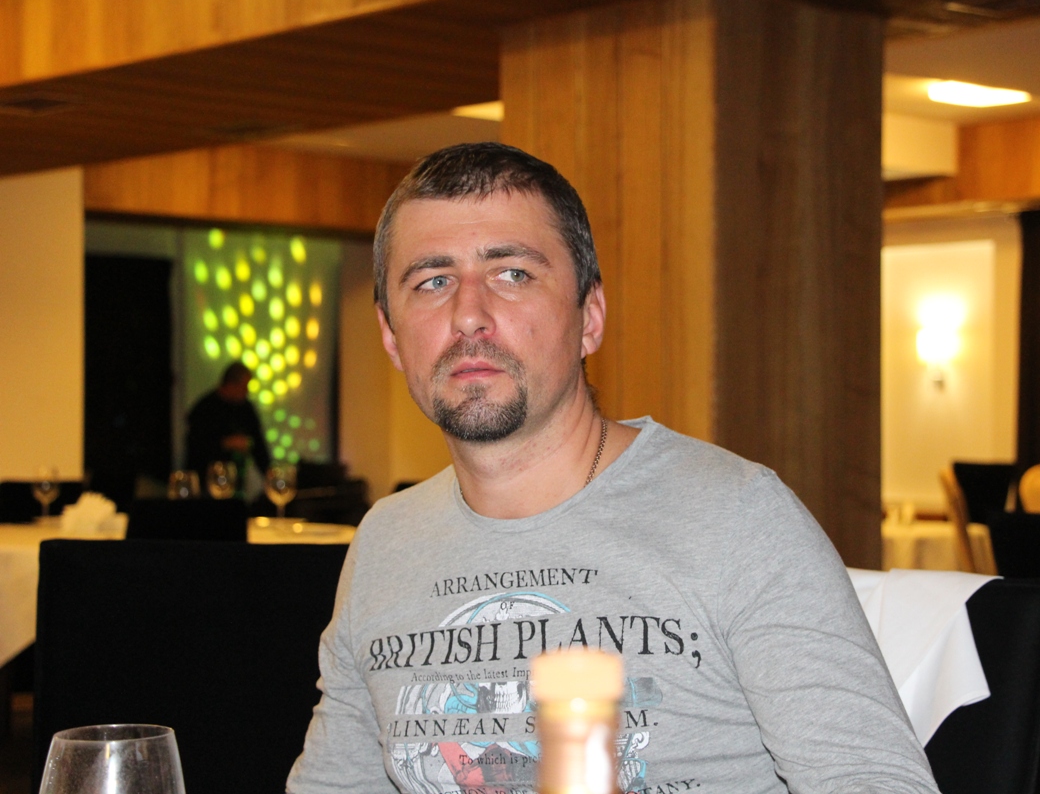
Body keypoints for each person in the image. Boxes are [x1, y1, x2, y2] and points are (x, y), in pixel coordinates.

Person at [287, 143, 939, 794]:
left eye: (512, 273)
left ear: (590, 317)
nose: (469, 315)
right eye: (433, 281)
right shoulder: (385, 542)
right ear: (391, 335)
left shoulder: (735, 516)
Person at [184, 361, 269, 493]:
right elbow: (195, 449)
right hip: (205, 487)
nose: (246, 391)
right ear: (230, 384)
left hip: (235, 486)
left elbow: (259, 448)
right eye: (244, 387)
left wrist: (271, 476)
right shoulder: (204, 409)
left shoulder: (246, 409)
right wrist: (226, 443)